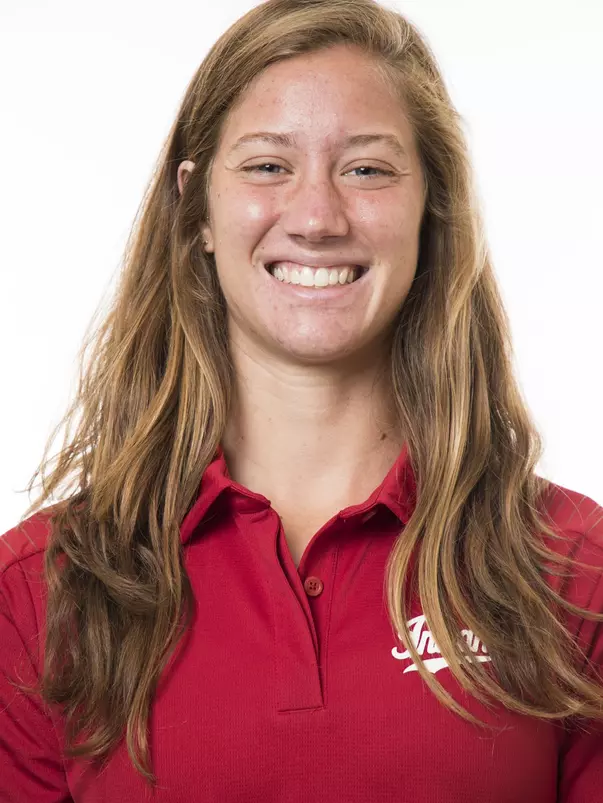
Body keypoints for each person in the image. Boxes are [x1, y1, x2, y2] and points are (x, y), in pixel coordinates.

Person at [1, 0, 602, 800]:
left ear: (432, 204)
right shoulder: (43, 590)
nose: (316, 216)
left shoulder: (570, 569)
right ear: (196, 206)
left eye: (366, 168)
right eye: (266, 165)